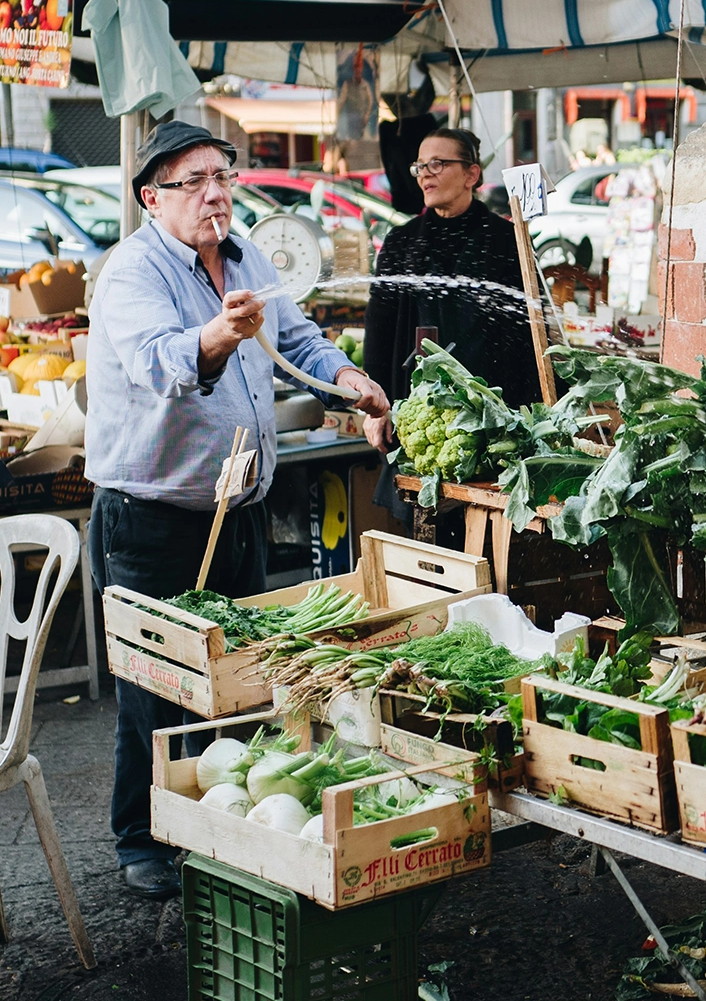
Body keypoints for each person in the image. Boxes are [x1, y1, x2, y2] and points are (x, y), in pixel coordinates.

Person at [85, 121, 389, 900]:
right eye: (196, 180)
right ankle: (142, 840)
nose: (217, 192)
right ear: (153, 197)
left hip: (239, 509)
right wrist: (218, 335)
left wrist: (349, 382)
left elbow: (300, 340)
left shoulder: (247, 255)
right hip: (154, 517)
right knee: (157, 687)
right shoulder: (132, 272)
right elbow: (161, 365)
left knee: (240, 676)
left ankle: (220, 825)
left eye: (223, 174)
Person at [363, 128, 541, 453]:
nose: (424, 176)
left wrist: (531, 415)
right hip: (418, 421)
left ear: (470, 174)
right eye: (419, 166)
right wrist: (377, 407)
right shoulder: (400, 244)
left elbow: (531, 334)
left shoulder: (508, 241)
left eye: (437, 164)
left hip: (494, 420)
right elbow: (379, 331)